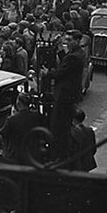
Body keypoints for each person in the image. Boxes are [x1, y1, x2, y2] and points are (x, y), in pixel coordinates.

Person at [41, 29, 85, 161]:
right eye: (66, 41)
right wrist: (60, 49)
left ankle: (58, 156)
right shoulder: (77, 53)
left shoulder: (74, 56)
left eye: (70, 40)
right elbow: (65, 61)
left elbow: (61, 72)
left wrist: (47, 73)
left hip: (65, 96)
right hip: (69, 95)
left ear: (77, 41)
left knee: (59, 127)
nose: (68, 43)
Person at [0, 93, 46, 164]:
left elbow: (1, 134)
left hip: (16, 157)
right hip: (34, 156)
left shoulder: (12, 120)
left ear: (18, 103)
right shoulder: (37, 116)